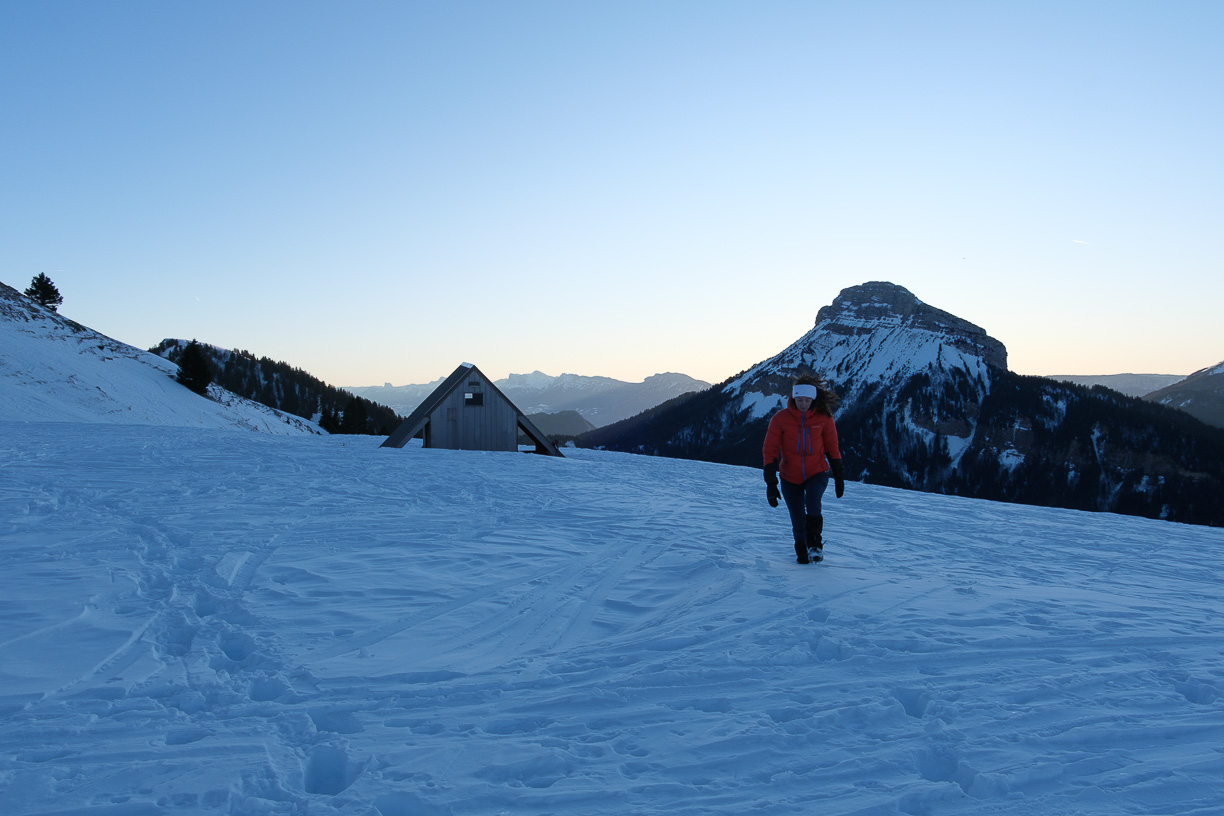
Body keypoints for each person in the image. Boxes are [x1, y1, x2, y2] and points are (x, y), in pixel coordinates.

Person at [762, 375, 846, 564]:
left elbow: (832, 447)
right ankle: (801, 545)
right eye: (799, 400)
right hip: (789, 476)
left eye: (807, 400)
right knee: (797, 516)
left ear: (813, 399)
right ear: (793, 398)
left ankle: (815, 544)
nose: (803, 404)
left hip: (817, 472)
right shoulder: (780, 419)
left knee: (813, 500)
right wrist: (770, 482)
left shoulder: (824, 419)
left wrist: (839, 475)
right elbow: (770, 449)